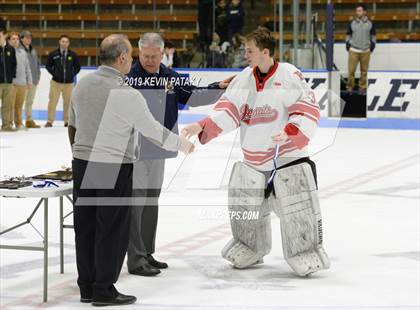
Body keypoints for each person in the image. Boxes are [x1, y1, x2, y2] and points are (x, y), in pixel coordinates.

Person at [182, 28, 330, 276]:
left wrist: (291, 131)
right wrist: (202, 125)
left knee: (297, 207)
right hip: (254, 160)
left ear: (265, 52)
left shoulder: (289, 74)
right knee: (245, 204)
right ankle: (250, 245)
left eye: (249, 50)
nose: (245, 54)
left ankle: (306, 251)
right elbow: (228, 110)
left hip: (287, 157)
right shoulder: (243, 78)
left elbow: (307, 108)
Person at [68, 34, 194, 306]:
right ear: (123, 58)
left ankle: (87, 287)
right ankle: (104, 289)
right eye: (131, 56)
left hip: (83, 162)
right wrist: (182, 144)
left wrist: (80, 156)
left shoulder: (82, 85)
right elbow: (152, 131)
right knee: (111, 229)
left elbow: (73, 125)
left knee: (86, 226)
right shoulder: (126, 93)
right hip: (113, 165)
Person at [125, 32, 232, 277]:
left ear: (163, 54)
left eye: (154, 56)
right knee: (136, 204)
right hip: (136, 150)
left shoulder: (168, 76)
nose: (150, 60)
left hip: (160, 148)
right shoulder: (130, 78)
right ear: (138, 53)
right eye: (145, 56)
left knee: (151, 201)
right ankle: (136, 258)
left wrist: (218, 88)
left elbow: (192, 96)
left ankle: (146, 253)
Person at [45, 34, 80, 127]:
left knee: (68, 103)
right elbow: (48, 66)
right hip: (55, 83)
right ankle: (49, 121)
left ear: (69, 43)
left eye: (66, 42)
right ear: (59, 42)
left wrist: (71, 75)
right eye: (63, 41)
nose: (64, 43)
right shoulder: (53, 54)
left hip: (69, 84)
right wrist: (54, 73)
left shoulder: (73, 55)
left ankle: (67, 121)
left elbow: (78, 67)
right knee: (52, 102)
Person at [345, 4, 376, 93]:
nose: (357, 12)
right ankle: (349, 87)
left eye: (359, 10)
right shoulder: (352, 23)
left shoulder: (370, 24)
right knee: (351, 71)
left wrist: (372, 46)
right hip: (353, 50)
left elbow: (373, 36)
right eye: (357, 11)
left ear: (364, 12)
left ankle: (362, 87)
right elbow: (348, 35)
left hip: (365, 51)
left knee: (364, 71)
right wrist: (348, 44)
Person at [8, 32, 32, 130]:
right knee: (10, 105)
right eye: (13, 39)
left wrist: (29, 81)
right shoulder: (6, 52)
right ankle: (9, 123)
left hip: (22, 83)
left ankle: (19, 123)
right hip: (11, 83)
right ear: (9, 40)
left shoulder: (23, 53)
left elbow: (27, 68)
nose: (15, 40)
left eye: (17, 39)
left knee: (19, 105)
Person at [20, 30, 41, 128]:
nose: (29, 39)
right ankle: (18, 121)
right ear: (22, 38)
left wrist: (37, 77)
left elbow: (37, 64)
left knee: (30, 101)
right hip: (23, 81)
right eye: (27, 37)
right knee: (20, 102)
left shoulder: (33, 50)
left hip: (34, 81)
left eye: (30, 37)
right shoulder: (19, 50)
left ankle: (29, 120)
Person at [0, 27, 17, 131]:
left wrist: (11, 76)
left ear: (5, 36)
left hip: (8, 83)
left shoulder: (11, 49)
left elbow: (14, 64)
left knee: (7, 106)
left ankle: (6, 126)